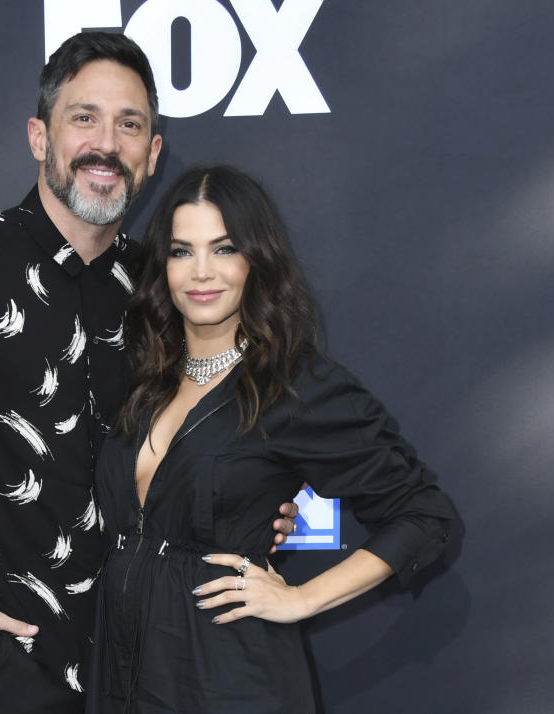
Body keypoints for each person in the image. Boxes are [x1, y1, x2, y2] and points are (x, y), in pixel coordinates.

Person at [0, 34, 297, 713]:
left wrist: (253, 502)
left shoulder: (162, 290)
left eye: (129, 124)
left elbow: (195, 449)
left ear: (152, 154)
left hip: (152, 666)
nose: (105, 144)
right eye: (84, 117)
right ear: (38, 136)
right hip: (2, 669)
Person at [87, 165, 461, 712]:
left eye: (225, 248)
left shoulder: (293, 385)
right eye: (181, 251)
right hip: (124, 678)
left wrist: (303, 599)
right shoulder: (143, 375)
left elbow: (426, 515)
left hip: (229, 681)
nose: (202, 272)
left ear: (256, 259)